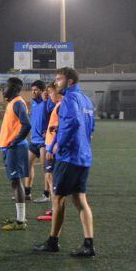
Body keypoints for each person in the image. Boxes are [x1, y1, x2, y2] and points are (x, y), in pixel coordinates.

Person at [34, 68, 97, 256]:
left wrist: (56, 146)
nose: (56, 82)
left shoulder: (69, 99)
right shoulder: (86, 99)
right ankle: (88, 244)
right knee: (79, 198)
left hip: (69, 156)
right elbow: (91, 127)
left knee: (58, 198)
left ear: (69, 81)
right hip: (84, 156)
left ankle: (53, 242)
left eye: (59, 79)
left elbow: (73, 123)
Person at [0, 77, 32, 231]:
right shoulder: (12, 103)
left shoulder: (18, 103)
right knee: (15, 182)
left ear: (12, 88)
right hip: (10, 148)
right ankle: (20, 218)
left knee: (16, 182)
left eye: (5, 86)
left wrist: (14, 141)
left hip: (15, 148)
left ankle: (20, 221)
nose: (3, 89)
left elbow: (27, 125)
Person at [36, 83, 62, 222]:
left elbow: (61, 128)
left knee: (52, 179)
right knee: (51, 178)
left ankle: (55, 210)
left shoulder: (62, 106)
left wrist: (52, 146)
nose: (49, 95)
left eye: (51, 92)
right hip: (50, 144)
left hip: (53, 148)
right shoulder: (57, 105)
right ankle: (54, 208)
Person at [27, 80, 52, 203]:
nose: (33, 92)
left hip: (43, 141)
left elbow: (54, 117)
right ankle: (27, 192)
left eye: (36, 89)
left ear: (42, 91)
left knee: (45, 169)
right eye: (32, 89)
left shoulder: (47, 103)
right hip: (33, 140)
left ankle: (46, 194)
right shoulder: (33, 103)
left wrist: (48, 131)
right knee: (27, 165)